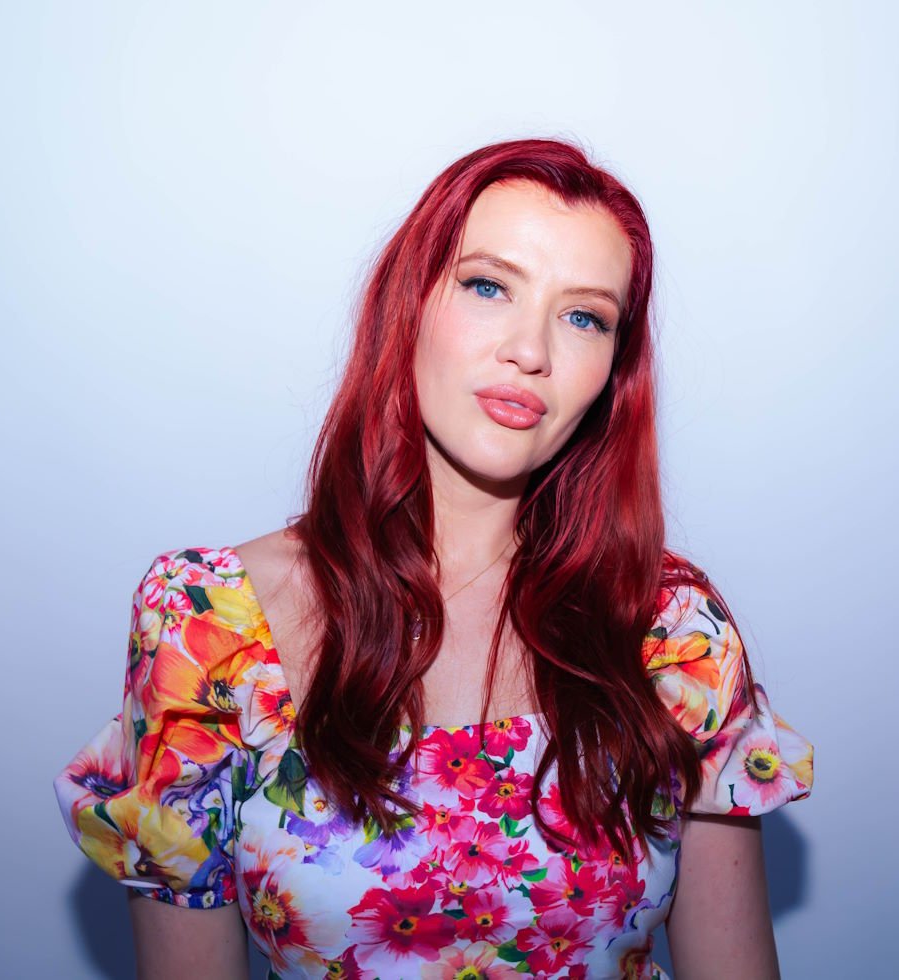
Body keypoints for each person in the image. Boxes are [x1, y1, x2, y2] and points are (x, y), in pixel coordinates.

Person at [54, 137, 814, 980]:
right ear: (408, 304)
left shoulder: (674, 630)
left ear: (612, 371)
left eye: (584, 317)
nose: (531, 350)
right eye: (489, 286)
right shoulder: (206, 626)